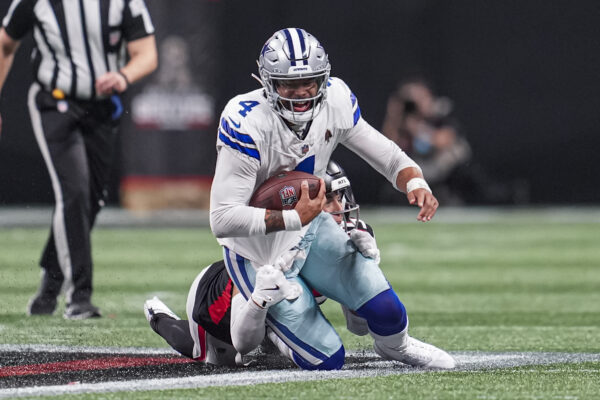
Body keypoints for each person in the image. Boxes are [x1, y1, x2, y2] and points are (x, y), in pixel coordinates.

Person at [208, 28, 454, 370]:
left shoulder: (336, 99)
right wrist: (294, 217)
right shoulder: (246, 119)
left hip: (310, 228)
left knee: (387, 311)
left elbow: (386, 154)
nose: (300, 93)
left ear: (323, 78)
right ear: (267, 82)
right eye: (287, 84)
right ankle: (270, 329)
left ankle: (396, 347)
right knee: (327, 360)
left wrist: (414, 180)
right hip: (256, 251)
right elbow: (221, 219)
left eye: (309, 82)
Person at [0, 0, 158, 319]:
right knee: (73, 193)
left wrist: (124, 76)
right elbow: (5, 44)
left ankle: (48, 287)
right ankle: (79, 297)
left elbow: (147, 53)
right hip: (54, 103)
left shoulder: (122, 3)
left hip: (101, 109)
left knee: (92, 201)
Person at [144, 160, 380, 367]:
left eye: (339, 197)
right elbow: (242, 341)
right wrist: (259, 300)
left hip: (275, 309)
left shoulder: (353, 235)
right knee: (213, 356)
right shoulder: (273, 250)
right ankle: (161, 320)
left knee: (282, 340)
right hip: (217, 304)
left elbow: (358, 327)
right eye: (328, 199)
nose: (339, 209)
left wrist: (362, 270)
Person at [382, 78, 526, 205]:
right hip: (418, 167)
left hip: (443, 167)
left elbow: (443, 140)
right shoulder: (402, 121)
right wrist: (394, 115)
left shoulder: (439, 114)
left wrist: (418, 127)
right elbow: (389, 145)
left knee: (462, 157)